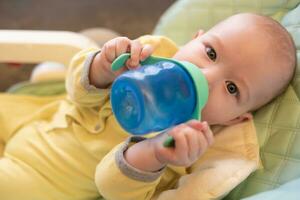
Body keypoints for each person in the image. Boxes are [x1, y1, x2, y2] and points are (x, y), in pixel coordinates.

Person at [0, 13, 296, 200]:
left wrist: (154, 152)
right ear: (196, 38)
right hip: (35, 115)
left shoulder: (186, 147)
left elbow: (113, 189)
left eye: (232, 88)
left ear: (236, 119)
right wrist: (104, 67)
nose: (206, 77)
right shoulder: (153, 53)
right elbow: (77, 94)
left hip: (41, 179)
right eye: (211, 52)